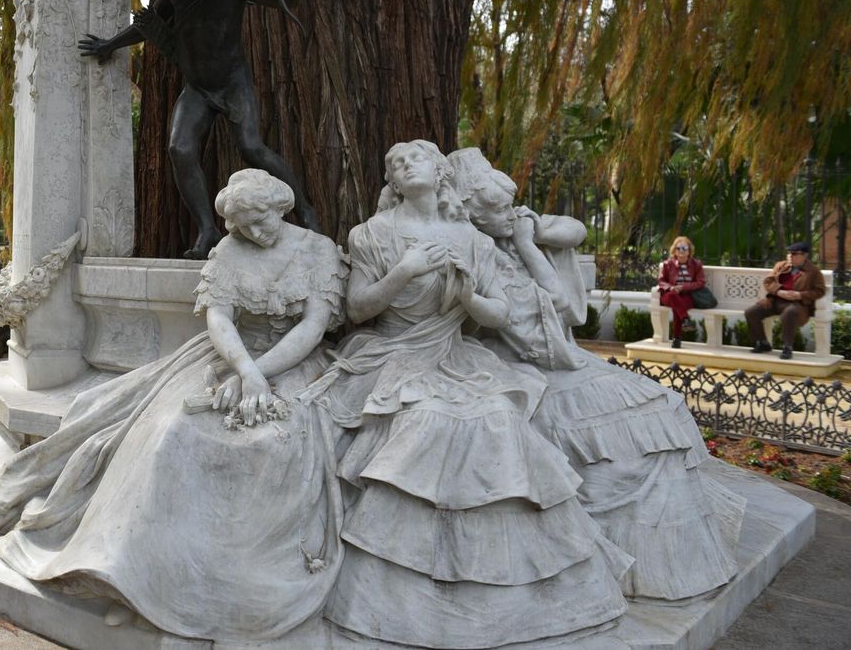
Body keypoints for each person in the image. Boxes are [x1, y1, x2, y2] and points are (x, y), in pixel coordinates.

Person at [0, 170, 346, 642]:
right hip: (229, 359)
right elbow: (220, 319)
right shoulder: (230, 251)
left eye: (259, 221)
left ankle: (204, 596)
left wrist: (260, 375)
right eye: (242, 225)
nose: (252, 233)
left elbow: (312, 328)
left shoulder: (317, 251)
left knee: (266, 446)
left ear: (280, 208)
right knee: (158, 432)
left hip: (292, 366)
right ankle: (134, 581)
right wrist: (244, 370)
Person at [293, 141, 629, 648]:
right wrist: (403, 271)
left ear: (441, 172)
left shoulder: (473, 239)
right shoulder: (372, 234)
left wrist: (469, 294)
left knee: (498, 416)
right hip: (391, 356)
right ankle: (402, 597)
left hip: (454, 356)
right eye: (397, 164)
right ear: (393, 182)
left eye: (417, 158)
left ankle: (500, 592)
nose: (407, 166)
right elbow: (358, 309)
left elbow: (499, 314)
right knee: (426, 419)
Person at [448, 148, 742, 600]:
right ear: (472, 214)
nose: (511, 216)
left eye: (511, 207)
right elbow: (560, 308)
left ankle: (668, 561)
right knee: (626, 436)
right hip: (517, 358)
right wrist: (527, 243)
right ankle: (637, 562)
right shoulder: (483, 252)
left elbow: (574, 229)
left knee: (658, 408)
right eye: (498, 211)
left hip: (553, 353)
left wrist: (530, 230)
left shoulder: (508, 227)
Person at [746, 241, 827, 360]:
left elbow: (820, 291)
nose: (790, 256)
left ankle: (787, 347)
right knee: (751, 312)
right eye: (789, 253)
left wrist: (800, 295)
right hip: (775, 301)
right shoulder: (781, 265)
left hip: (797, 304)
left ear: (805, 255)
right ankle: (763, 343)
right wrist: (778, 291)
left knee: (790, 313)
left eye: (794, 254)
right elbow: (768, 282)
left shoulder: (814, 271)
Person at [656, 235, 706, 348]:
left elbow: (700, 282)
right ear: (675, 250)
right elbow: (661, 281)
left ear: (689, 251)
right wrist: (672, 288)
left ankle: (677, 337)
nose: (681, 251)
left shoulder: (696, 265)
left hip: (688, 296)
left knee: (677, 306)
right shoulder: (668, 264)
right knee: (674, 297)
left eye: (684, 248)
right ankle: (684, 323)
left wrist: (683, 287)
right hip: (669, 295)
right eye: (679, 248)